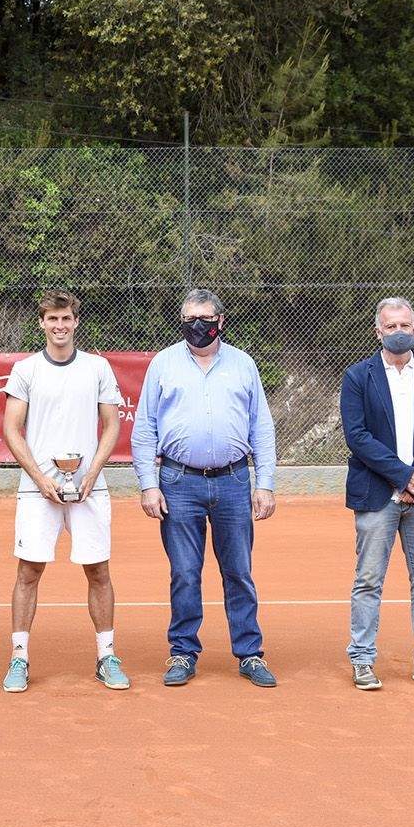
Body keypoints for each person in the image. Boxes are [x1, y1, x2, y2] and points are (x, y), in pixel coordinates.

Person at [132, 289, 278, 688]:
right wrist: (148, 485)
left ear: (220, 321)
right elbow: (145, 428)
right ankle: (182, 652)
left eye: (205, 319)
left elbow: (261, 426)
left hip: (233, 480)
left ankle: (249, 653)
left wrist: (264, 484)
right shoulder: (163, 364)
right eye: (189, 319)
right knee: (184, 572)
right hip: (178, 482)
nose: (197, 326)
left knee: (239, 571)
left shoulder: (243, 364)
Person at [1, 291, 127, 692]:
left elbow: (111, 425)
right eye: (53, 319)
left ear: (76, 322)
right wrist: (42, 479)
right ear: (42, 323)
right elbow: (11, 429)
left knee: (99, 571)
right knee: (28, 571)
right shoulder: (25, 370)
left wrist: (92, 473)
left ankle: (106, 656)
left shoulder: (98, 367)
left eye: (66, 318)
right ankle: (19, 658)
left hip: (89, 488)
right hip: (37, 490)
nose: (60, 326)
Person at [339, 297, 414, 692]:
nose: (398, 332)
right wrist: (403, 476)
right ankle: (362, 659)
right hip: (377, 494)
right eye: (391, 326)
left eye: (405, 325)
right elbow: (357, 436)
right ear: (378, 331)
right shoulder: (358, 377)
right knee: (368, 580)